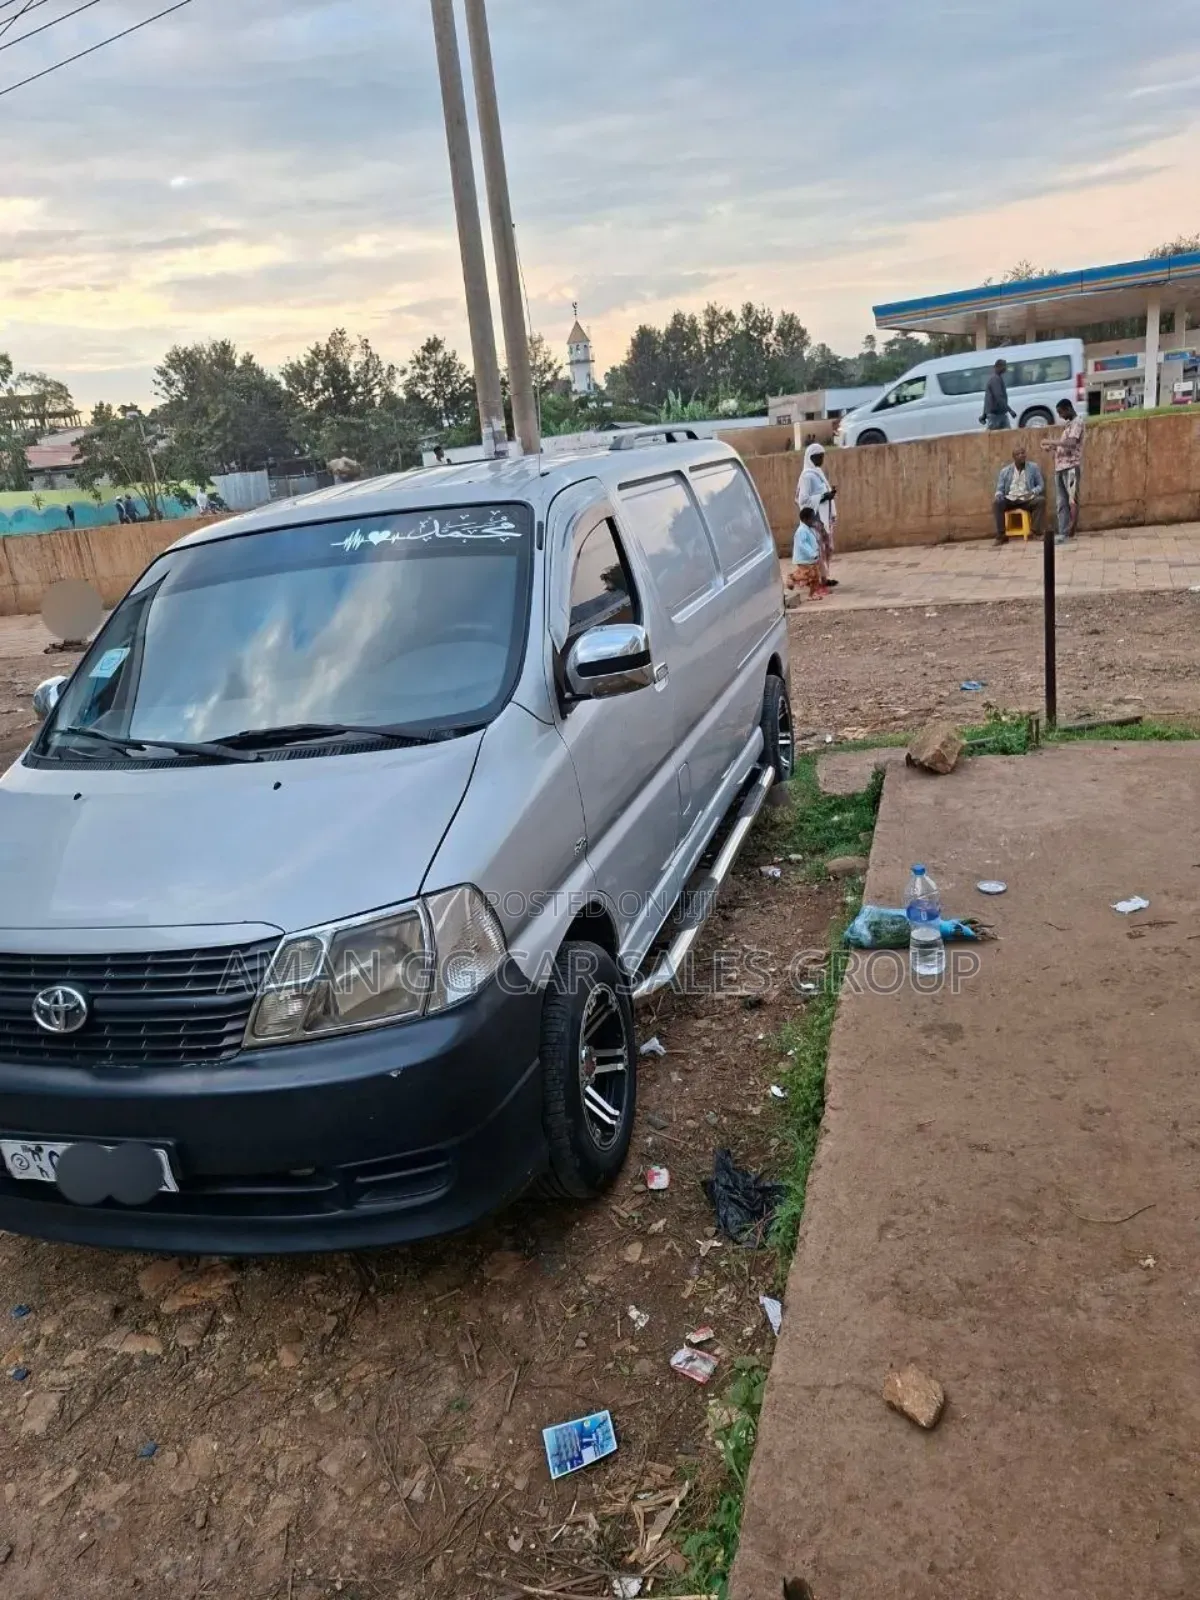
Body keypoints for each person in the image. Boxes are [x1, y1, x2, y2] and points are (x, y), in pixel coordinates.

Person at [1041, 398, 1084, 544]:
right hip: (1060, 467)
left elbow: (1071, 444)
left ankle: (1069, 530)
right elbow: (1065, 445)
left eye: (1061, 412)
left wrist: (1051, 442)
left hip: (1071, 467)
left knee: (1072, 500)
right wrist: (1052, 448)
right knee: (1061, 502)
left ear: (1068, 409)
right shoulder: (1068, 425)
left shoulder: (1077, 422)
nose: (1060, 416)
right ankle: (1063, 531)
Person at [796, 442, 839, 587]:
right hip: (814, 519)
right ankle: (820, 579)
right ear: (811, 457)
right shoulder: (807, 476)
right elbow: (803, 499)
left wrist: (829, 495)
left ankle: (824, 576)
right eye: (819, 457)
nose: (821, 459)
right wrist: (823, 497)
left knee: (827, 548)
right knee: (817, 549)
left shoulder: (817, 473)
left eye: (822, 456)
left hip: (823, 519)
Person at [993, 446, 1046, 544]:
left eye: (1023, 453)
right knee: (997, 503)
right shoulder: (1005, 471)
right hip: (1011, 498)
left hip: (1026, 498)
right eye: (1018, 454)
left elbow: (1041, 485)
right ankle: (1001, 535)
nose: (1021, 455)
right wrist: (998, 495)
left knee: (1041, 500)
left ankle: (1036, 532)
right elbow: (999, 489)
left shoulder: (1033, 467)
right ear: (1014, 457)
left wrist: (1033, 492)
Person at [788, 506, 827, 600]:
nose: (814, 520)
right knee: (810, 575)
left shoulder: (809, 528)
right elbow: (802, 545)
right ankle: (792, 577)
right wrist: (813, 554)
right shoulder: (801, 530)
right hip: (804, 559)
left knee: (815, 576)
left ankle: (812, 595)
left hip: (811, 558)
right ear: (805, 519)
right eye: (812, 518)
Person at [980, 358, 1017, 430]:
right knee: (993, 437)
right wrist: (1010, 410)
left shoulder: (997, 378)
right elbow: (998, 397)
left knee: (1007, 435)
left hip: (1000, 413)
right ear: (999, 367)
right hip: (996, 415)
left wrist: (984, 415)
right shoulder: (995, 379)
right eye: (1004, 366)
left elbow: (988, 399)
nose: (1005, 368)